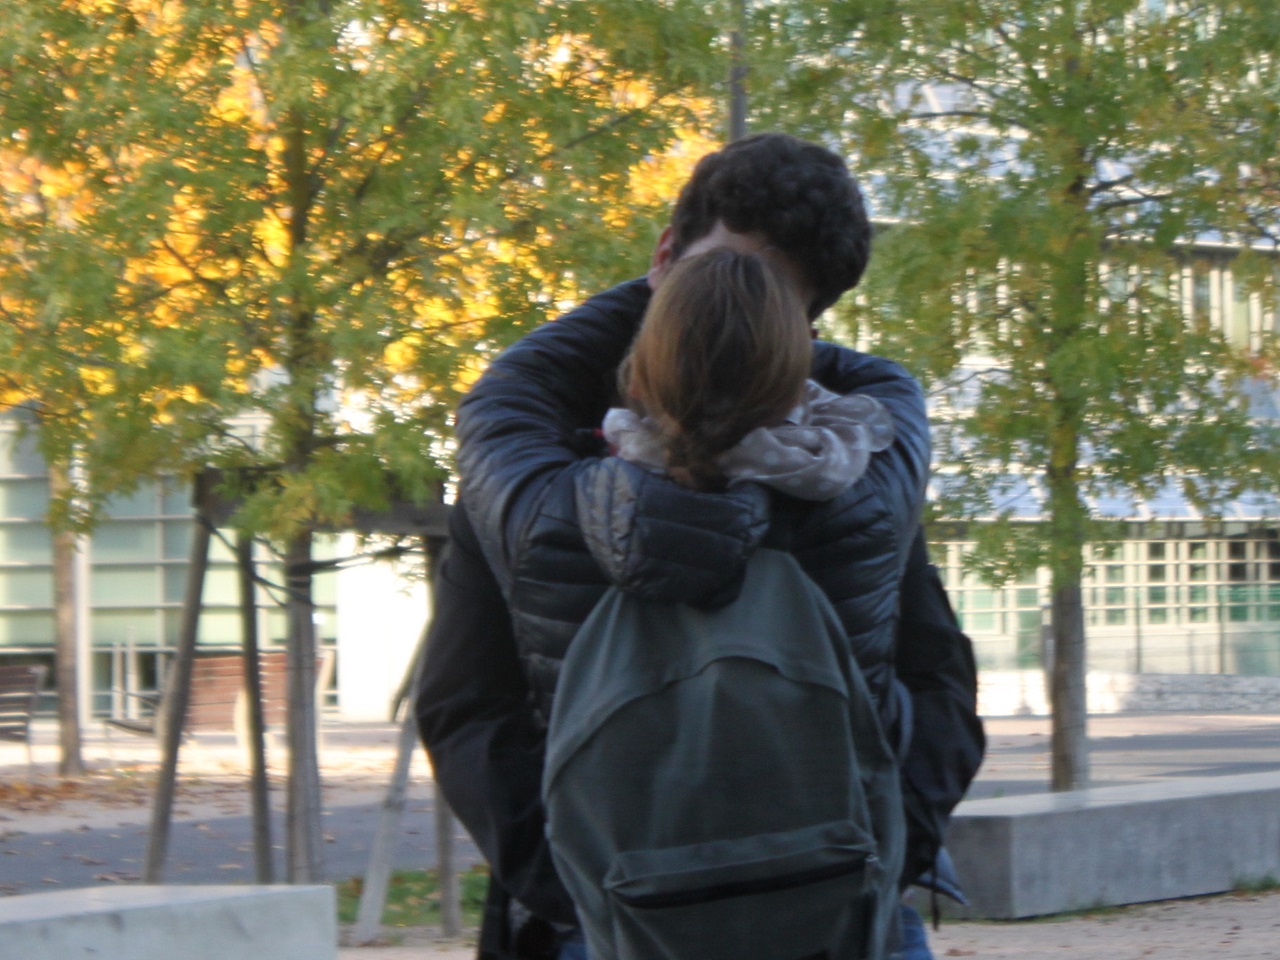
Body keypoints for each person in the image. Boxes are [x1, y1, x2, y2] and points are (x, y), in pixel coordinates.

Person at [417, 133, 986, 960]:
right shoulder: (859, 475)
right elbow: (940, 691)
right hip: (834, 908)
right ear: (663, 253)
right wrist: (884, 853)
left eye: (767, 298)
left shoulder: (529, 484)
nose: (735, 311)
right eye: (718, 280)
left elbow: (465, 711)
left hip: (621, 916)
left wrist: (577, 886)